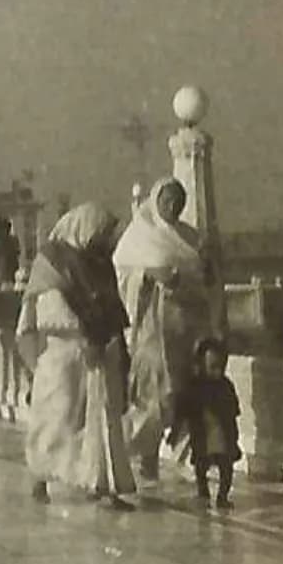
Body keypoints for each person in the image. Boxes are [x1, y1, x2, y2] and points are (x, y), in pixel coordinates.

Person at [17, 203, 136, 510]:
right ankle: (40, 476)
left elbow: (113, 308)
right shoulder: (52, 262)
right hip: (63, 355)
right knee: (55, 419)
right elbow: (46, 311)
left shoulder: (98, 264)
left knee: (102, 421)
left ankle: (102, 485)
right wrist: (83, 334)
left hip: (99, 354)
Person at [113, 177, 213, 481]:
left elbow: (206, 277)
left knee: (181, 395)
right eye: (167, 201)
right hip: (150, 328)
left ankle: (180, 456)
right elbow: (122, 271)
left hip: (183, 328)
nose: (172, 207)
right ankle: (143, 454)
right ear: (156, 200)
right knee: (151, 394)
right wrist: (149, 275)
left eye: (178, 202)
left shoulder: (189, 237)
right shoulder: (139, 235)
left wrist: (187, 278)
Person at [168, 334, 241, 508]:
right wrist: (175, 431)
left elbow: (233, 412)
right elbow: (182, 410)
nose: (217, 371)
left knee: (226, 466)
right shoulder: (193, 386)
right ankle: (203, 490)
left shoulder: (226, 386)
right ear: (202, 364)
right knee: (201, 465)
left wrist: (234, 435)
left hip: (222, 434)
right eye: (212, 366)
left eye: (220, 366)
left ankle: (222, 496)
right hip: (202, 433)